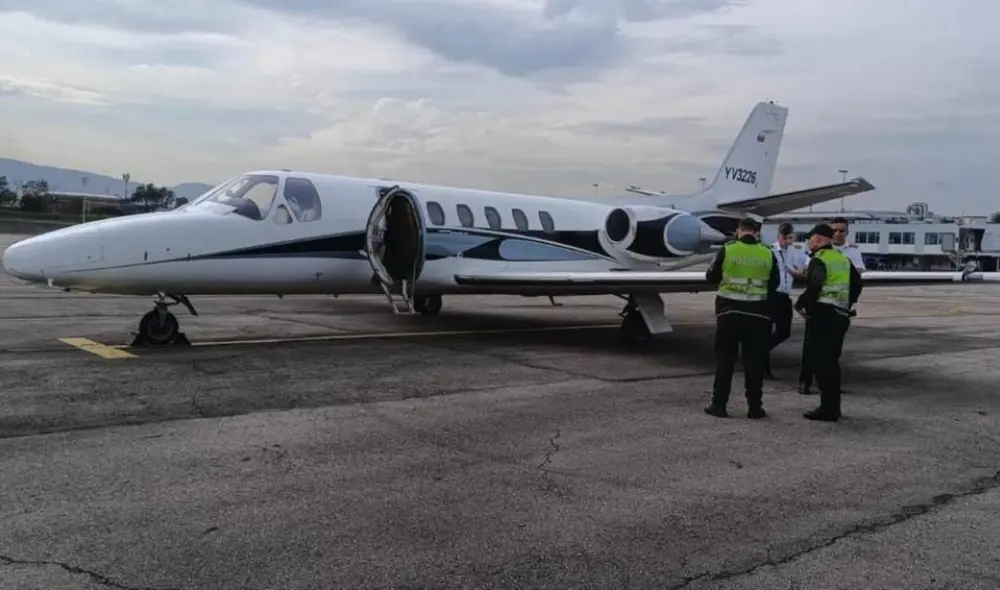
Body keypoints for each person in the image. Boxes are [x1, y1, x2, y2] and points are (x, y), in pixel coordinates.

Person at [703, 217, 781, 419]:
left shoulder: (728, 250)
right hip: (758, 315)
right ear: (756, 232)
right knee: (754, 363)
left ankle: (719, 405)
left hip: (729, 313)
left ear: (739, 231)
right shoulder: (768, 253)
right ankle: (755, 407)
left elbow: (711, 277)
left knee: (725, 362)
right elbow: (775, 284)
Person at [794, 223, 863, 421]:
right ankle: (833, 406)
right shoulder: (843, 259)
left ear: (820, 239)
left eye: (810, 238)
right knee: (831, 362)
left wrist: (800, 304)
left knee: (821, 362)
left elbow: (815, 286)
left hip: (823, 315)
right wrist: (846, 303)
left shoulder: (819, 259)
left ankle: (828, 408)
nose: (808, 242)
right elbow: (857, 285)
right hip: (840, 315)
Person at [763, 222, 808, 379]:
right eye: (785, 238)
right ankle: (764, 367)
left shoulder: (795, 252)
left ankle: (760, 351)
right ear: (778, 237)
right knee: (765, 331)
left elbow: (809, 261)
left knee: (784, 332)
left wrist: (801, 270)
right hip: (770, 296)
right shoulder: (770, 251)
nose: (788, 241)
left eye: (791, 238)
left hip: (784, 297)